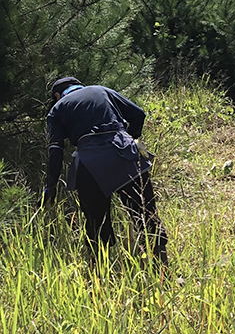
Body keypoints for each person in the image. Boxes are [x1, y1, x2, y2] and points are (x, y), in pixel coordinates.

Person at [44, 77, 168, 264]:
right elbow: (139, 114)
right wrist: (127, 140)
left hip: (89, 164)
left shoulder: (57, 108)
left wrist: (50, 186)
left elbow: (56, 149)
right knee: (146, 216)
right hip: (125, 155)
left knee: (96, 225)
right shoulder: (101, 90)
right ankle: (162, 269)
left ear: (56, 95)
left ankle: (100, 276)